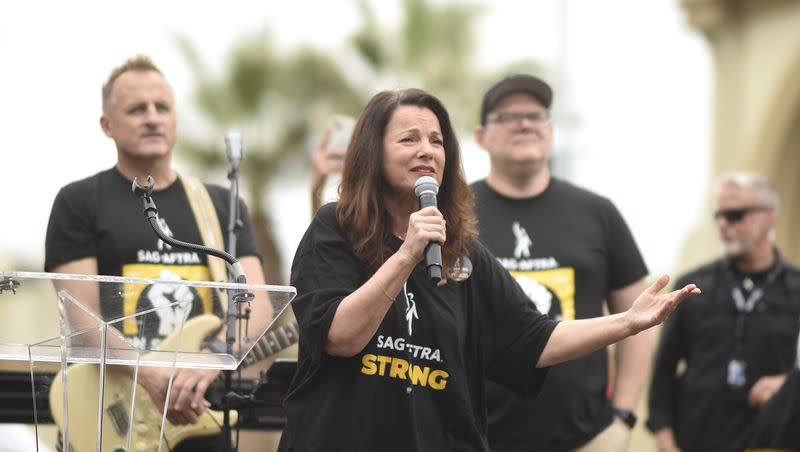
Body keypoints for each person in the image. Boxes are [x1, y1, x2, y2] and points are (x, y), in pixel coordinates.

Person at [278, 88, 699, 451]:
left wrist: (625, 323)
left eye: (437, 141)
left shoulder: (465, 255)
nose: (427, 149)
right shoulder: (335, 229)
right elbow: (340, 337)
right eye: (409, 139)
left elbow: (535, 338)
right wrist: (407, 255)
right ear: (373, 153)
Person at [44, 55, 267, 452]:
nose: (152, 117)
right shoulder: (79, 202)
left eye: (162, 107)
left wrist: (212, 358)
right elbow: (81, 319)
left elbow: (260, 306)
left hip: (201, 418)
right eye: (136, 109)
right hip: (110, 421)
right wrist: (149, 375)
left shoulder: (219, 204)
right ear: (107, 125)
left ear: (176, 120)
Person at [471, 74, 652, 451]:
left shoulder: (597, 213)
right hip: (475, 437)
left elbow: (639, 320)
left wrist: (623, 418)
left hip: (586, 438)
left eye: (536, 116)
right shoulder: (452, 212)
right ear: (481, 136)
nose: (525, 124)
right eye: (507, 117)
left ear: (550, 131)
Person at [647, 172, 800, 452]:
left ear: (769, 217)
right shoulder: (692, 287)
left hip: (772, 442)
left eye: (734, 215)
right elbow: (662, 377)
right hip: (698, 441)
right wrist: (666, 445)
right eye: (718, 215)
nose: (722, 225)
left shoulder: (796, 288)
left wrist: (787, 383)